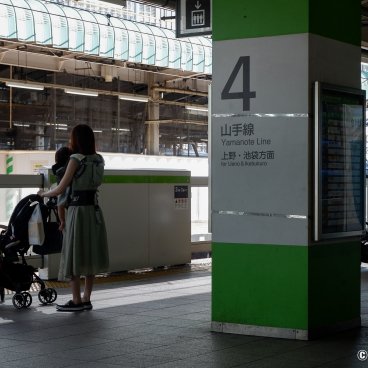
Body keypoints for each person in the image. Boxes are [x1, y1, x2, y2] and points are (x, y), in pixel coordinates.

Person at [38, 124, 109, 312]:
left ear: (75, 140)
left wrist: (44, 194)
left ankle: (76, 300)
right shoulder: (99, 159)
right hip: (94, 211)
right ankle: (87, 298)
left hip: (77, 212)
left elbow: (61, 188)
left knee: (73, 254)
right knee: (90, 253)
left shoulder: (75, 159)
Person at [51, 146, 72, 231]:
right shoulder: (73, 166)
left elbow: (60, 195)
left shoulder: (57, 170)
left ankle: (62, 221)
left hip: (64, 191)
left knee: (60, 203)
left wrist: (62, 220)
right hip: (74, 194)